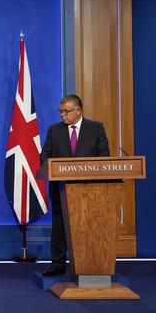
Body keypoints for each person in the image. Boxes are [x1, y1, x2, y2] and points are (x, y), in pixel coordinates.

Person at [40, 94, 109, 276]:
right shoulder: (54, 130)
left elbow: (104, 157)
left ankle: (90, 263)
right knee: (59, 226)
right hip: (61, 189)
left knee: (88, 225)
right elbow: (44, 156)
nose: (62, 115)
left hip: (90, 191)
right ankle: (58, 264)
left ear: (78, 110)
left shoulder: (95, 128)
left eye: (66, 111)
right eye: (60, 112)